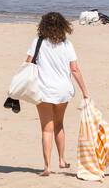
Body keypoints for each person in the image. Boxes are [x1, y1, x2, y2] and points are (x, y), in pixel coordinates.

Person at [25, 11, 90, 176]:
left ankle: (47, 167)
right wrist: (85, 91)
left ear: (43, 26)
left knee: (47, 129)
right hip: (63, 90)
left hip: (43, 90)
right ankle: (61, 160)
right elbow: (74, 69)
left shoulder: (37, 42)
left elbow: (27, 63)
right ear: (63, 26)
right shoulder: (67, 45)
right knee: (59, 124)